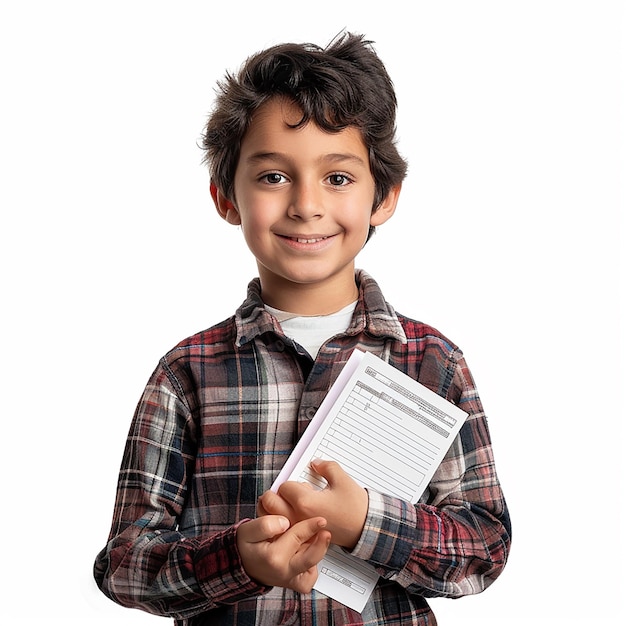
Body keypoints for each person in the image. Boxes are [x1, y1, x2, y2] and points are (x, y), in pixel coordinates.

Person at [94, 31, 511, 625]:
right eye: (272, 177)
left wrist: (367, 523)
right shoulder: (187, 372)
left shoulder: (431, 362)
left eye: (337, 178)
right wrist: (234, 560)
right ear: (225, 196)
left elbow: (485, 547)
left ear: (384, 196)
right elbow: (124, 563)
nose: (306, 205)